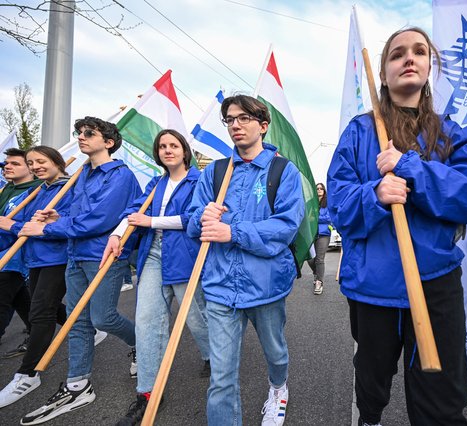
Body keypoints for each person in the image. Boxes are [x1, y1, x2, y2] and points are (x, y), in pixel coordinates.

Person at [327, 28, 467, 425]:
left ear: (428, 68)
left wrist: (410, 169)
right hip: (373, 284)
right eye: (397, 54)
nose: (409, 58)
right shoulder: (359, 132)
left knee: (440, 399)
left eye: (419, 52)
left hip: (435, 281)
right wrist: (375, 195)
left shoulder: (451, 133)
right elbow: (338, 204)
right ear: (384, 75)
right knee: (371, 381)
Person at [187, 94, 304, 426]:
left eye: (244, 118)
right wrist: (202, 217)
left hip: (265, 285)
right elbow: (194, 221)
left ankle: (278, 388)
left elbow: (285, 226)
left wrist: (232, 231)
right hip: (220, 287)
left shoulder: (283, 170)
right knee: (221, 377)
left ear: (263, 126)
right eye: (230, 120)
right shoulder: (215, 172)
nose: (235, 125)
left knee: (275, 352)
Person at [18, 116, 142, 425]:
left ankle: (140, 341)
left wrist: (46, 230)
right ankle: (77, 385)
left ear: (108, 142)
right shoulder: (83, 172)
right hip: (75, 254)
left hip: (103, 256)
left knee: (103, 317)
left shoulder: (120, 175)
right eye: (79, 133)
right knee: (76, 321)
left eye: (89, 133)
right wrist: (55, 215)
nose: (81, 137)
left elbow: (99, 220)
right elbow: (78, 212)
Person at [102, 129, 210, 425]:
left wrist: (151, 221)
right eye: (162, 146)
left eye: (173, 145)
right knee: (148, 321)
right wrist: (116, 234)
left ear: (184, 151)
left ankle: (213, 356)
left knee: (197, 319)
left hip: (186, 255)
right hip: (152, 253)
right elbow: (133, 211)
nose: (167, 150)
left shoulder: (199, 181)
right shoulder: (155, 182)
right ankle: (148, 393)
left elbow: (195, 218)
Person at [0, 146, 73, 408]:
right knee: (37, 310)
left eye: (41, 161)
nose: (36, 166)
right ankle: (83, 327)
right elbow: (25, 223)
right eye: (31, 163)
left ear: (56, 161)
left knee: (41, 312)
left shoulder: (71, 186)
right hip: (34, 258)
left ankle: (28, 374)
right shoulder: (39, 190)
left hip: (57, 257)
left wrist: (23, 226)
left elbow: (71, 224)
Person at [0, 148, 41, 357]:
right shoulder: (6, 189)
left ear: (30, 168)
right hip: (3, 254)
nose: (7, 167)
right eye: (5, 164)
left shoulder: (36, 191)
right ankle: (76, 323)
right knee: (24, 302)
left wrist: (9, 226)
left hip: (14, 257)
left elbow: (31, 226)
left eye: (15, 164)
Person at [307, 182, 331, 295]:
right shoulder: (311, 203)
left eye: (321, 188)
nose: (319, 190)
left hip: (324, 234)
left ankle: (319, 282)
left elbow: (329, 218)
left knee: (319, 259)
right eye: (317, 188)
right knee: (310, 258)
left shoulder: (328, 203)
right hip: (312, 234)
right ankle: (317, 273)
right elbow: (307, 217)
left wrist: (315, 217)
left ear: (324, 191)